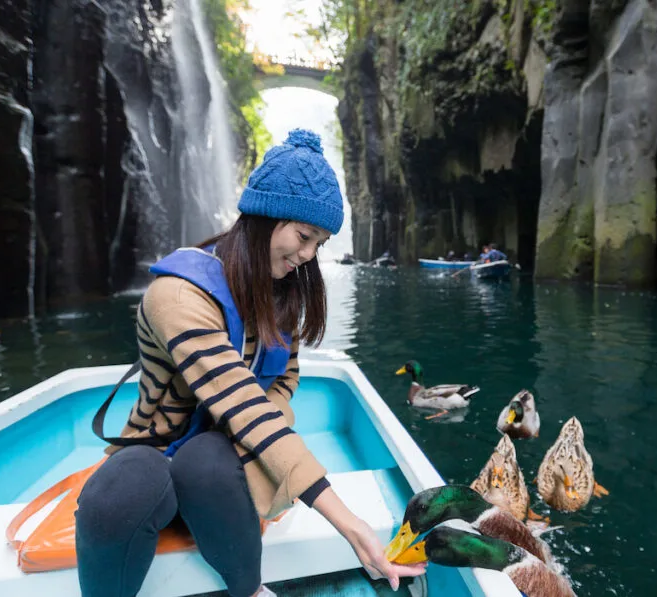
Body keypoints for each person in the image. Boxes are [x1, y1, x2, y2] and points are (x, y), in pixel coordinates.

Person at [74, 129, 426, 597]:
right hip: (156, 450)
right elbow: (238, 400)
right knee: (115, 496)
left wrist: (269, 427)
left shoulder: (285, 295)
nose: (306, 257)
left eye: (318, 244)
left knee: (206, 462)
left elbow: (285, 377)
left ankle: (248, 589)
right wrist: (349, 523)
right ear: (262, 217)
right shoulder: (177, 294)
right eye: (303, 236)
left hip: (225, 458)